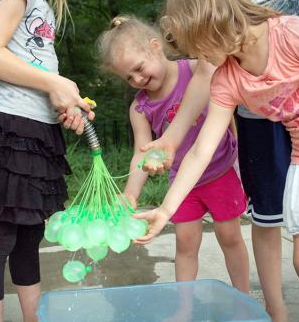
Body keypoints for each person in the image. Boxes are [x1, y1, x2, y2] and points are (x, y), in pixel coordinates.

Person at [140, 0, 299, 320]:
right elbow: (201, 150)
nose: (200, 59)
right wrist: (165, 208)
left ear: (216, 21)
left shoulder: (291, 33)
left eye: (200, 47)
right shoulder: (228, 79)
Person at [0, 0, 102, 321]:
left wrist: (62, 104)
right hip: (9, 130)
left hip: (34, 131)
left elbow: (29, 69)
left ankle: (31, 318)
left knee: (28, 235)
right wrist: (54, 83)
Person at [95, 15, 249, 293]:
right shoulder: (139, 108)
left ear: (155, 46)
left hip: (220, 171)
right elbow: (141, 154)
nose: (137, 79)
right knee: (185, 243)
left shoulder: (196, 71)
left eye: (139, 69)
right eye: (129, 77)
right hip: (182, 183)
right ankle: (184, 306)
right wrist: (131, 193)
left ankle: (243, 297)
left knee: (230, 237)